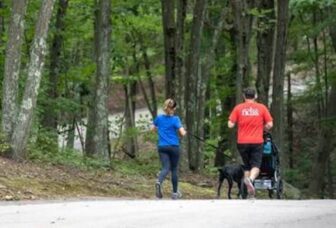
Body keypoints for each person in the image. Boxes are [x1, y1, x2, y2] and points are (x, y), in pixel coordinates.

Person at [228, 88, 273, 198]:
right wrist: (264, 128)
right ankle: (250, 180)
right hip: (257, 141)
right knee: (256, 165)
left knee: (247, 166)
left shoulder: (238, 108)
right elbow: (270, 124)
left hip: (242, 142)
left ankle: (248, 192)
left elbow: (230, 125)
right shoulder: (261, 108)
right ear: (255, 96)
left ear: (244, 96)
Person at [151, 98, 187, 199]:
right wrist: (184, 131)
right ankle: (175, 193)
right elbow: (182, 133)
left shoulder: (159, 118)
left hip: (162, 146)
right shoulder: (175, 119)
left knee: (165, 167)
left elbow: (152, 129)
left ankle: (159, 181)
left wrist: (161, 130)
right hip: (174, 146)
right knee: (174, 169)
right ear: (174, 108)